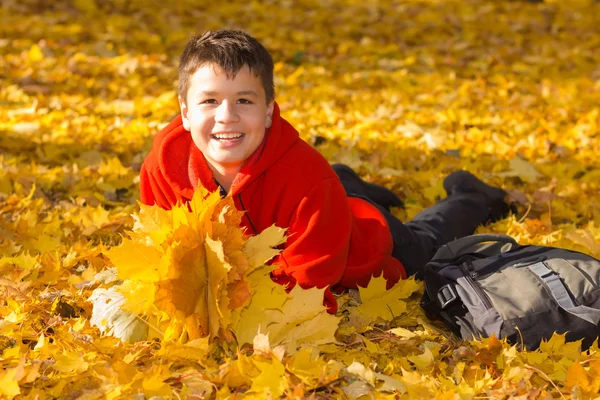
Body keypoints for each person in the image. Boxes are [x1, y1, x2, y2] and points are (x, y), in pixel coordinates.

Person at [139, 30, 512, 313]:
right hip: (323, 203)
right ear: (185, 113)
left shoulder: (307, 182)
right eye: (209, 101)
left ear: (269, 110)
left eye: (244, 101)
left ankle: (470, 194)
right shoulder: (163, 167)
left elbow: (306, 290)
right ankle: (346, 180)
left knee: (426, 246)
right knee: (331, 189)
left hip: (355, 240)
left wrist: (233, 306)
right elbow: (169, 251)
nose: (226, 116)